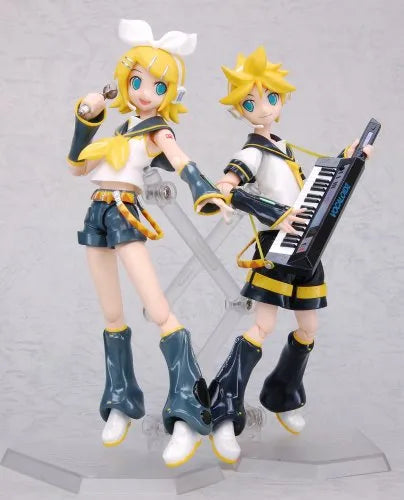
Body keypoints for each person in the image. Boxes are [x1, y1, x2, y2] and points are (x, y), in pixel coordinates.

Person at [66, 19, 231, 468]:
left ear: (170, 93)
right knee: (112, 314)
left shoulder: (157, 130)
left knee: (158, 309)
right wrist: (87, 118)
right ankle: (121, 399)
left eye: (158, 86)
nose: (145, 92)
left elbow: (181, 160)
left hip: (125, 212)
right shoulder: (120, 130)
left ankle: (188, 411)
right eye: (138, 81)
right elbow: (77, 165)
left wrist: (205, 191)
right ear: (125, 80)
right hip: (97, 212)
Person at [206, 46, 373, 463]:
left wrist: (349, 158)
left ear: (281, 100)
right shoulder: (252, 152)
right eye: (250, 103)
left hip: (305, 247)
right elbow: (226, 188)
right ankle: (224, 408)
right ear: (239, 109)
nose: (263, 108)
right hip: (276, 248)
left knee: (308, 328)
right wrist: (275, 214)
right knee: (263, 325)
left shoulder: (282, 145)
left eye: (271, 98)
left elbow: (306, 190)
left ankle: (282, 394)